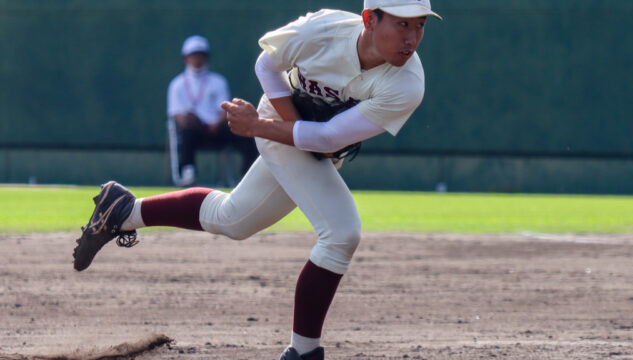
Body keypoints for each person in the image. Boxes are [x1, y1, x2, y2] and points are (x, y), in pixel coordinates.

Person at [73, 1, 440, 359]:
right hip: (275, 122)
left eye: (420, 25)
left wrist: (271, 128)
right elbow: (267, 64)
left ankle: (123, 212)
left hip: (310, 139)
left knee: (233, 219)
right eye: (402, 23)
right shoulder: (324, 30)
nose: (412, 37)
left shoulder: (407, 84)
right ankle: (304, 352)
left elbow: (328, 139)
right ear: (369, 20)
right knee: (341, 234)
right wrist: (269, 125)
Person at [167, 35, 258, 187]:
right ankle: (188, 173)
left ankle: (249, 174)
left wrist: (215, 124)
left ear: (207, 57)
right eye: (193, 55)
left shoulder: (218, 81)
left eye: (201, 55)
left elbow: (224, 111)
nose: (197, 59)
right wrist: (192, 121)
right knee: (187, 133)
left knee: (246, 134)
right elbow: (178, 117)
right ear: (186, 58)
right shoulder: (176, 85)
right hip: (195, 130)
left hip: (218, 128)